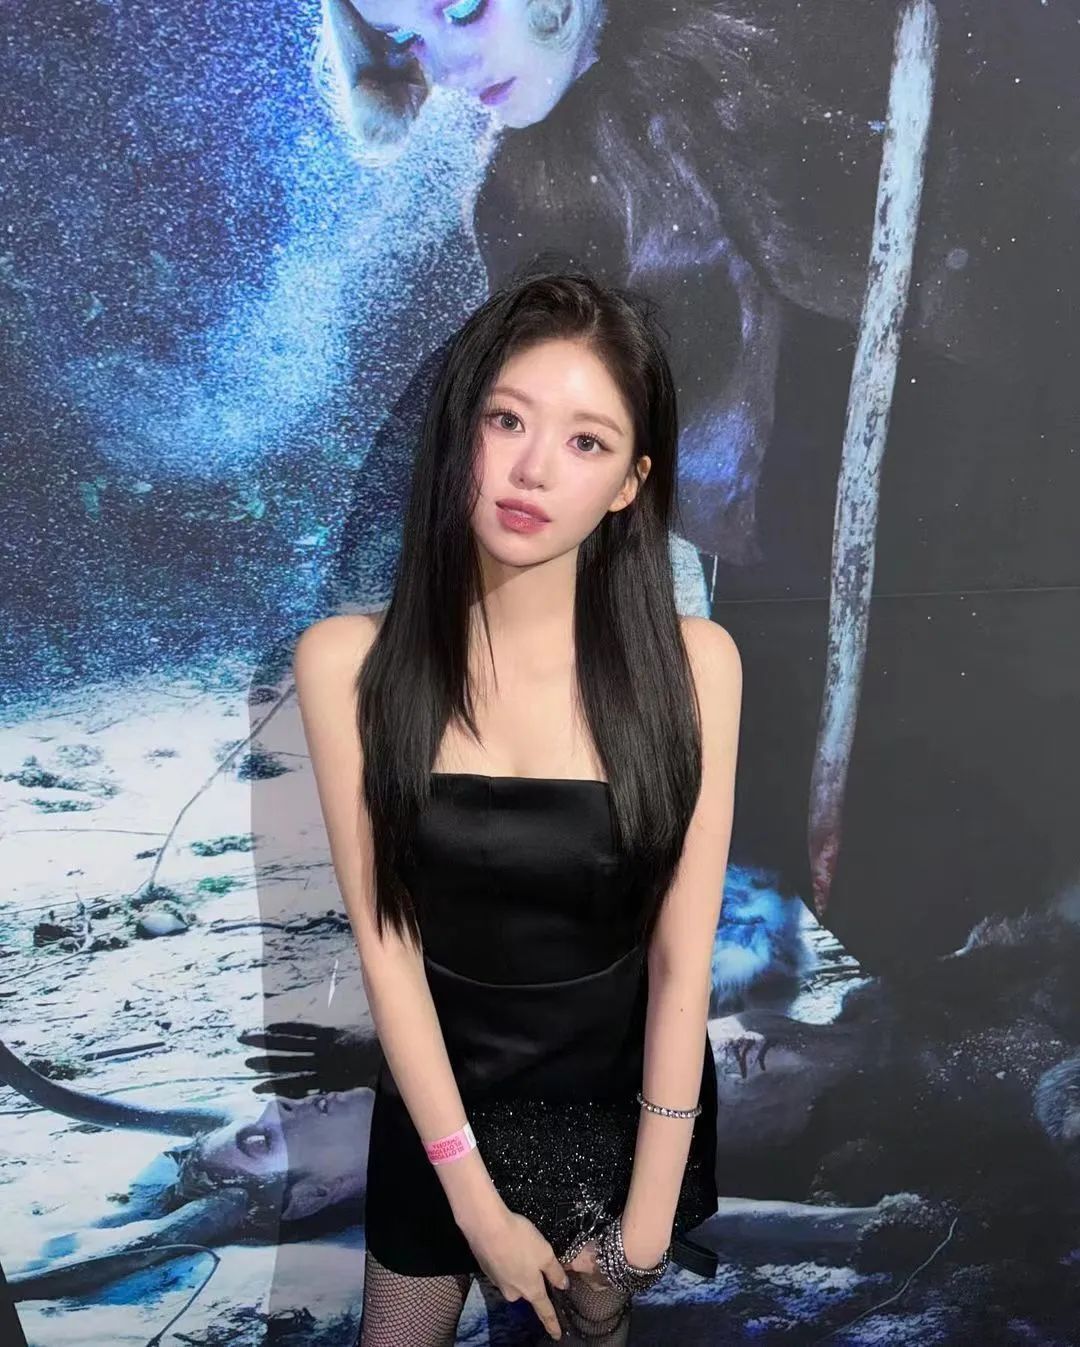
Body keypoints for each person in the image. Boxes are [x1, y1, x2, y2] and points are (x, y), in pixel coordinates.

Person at [292, 270, 742, 1345]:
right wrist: (474, 1203)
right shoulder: (348, 664)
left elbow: (683, 960)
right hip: (441, 1110)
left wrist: (643, 1227)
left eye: (587, 441)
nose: (534, 467)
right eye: (507, 420)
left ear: (630, 483)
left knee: (585, 1332)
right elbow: (388, 950)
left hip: (622, 1113)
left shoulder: (696, 668)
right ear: (464, 434)